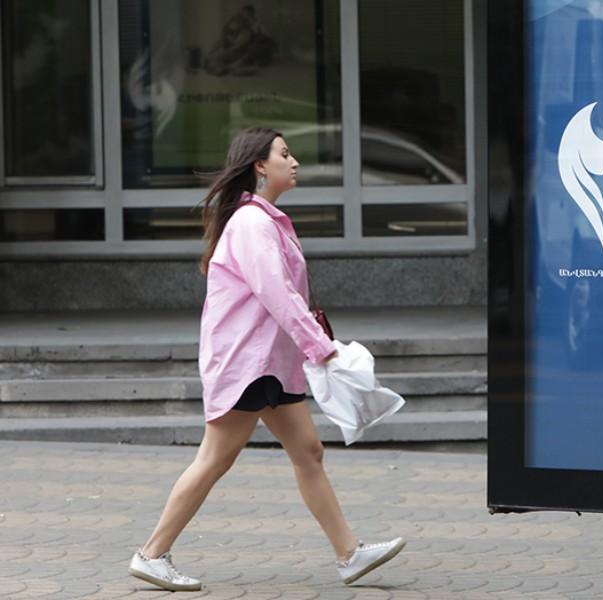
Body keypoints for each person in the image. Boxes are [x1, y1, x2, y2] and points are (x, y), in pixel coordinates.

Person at [127, 127, 405, 592]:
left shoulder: (264, 220)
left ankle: (349, 554)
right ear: (260, 165)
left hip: (270, 363)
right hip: (249, 364)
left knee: (308, 452)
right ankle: (152, 554)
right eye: (284, 154)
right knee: (215, 458)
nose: (294, 162)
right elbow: (277, 293)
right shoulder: (252, 223)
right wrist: (321, 347)